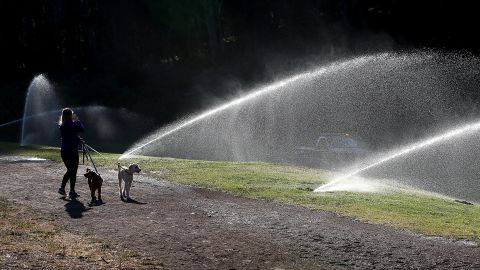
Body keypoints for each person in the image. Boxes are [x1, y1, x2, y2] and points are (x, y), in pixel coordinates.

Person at [58, 108, 84, 198]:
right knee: (72, 170)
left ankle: (68, 190)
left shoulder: (62, 125)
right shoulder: (72, 124)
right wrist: (78, 120)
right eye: (72, 114)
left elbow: (70, 136)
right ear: (70, 115)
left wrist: (77, 139)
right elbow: (81, 129)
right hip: (72, 151)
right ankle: (66, 189)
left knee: (71, 170)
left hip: (64, 151)